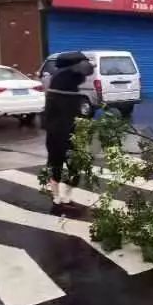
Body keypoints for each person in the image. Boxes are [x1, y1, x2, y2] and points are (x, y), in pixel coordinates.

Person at [44, 52, 93, 207]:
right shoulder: (68, 80)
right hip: (67, 132)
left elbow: (47, 117)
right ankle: (63, 195)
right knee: (71, 166)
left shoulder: (56, 82)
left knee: (55, 164)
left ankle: (57, 196)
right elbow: (86, 71)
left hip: (56, 133)